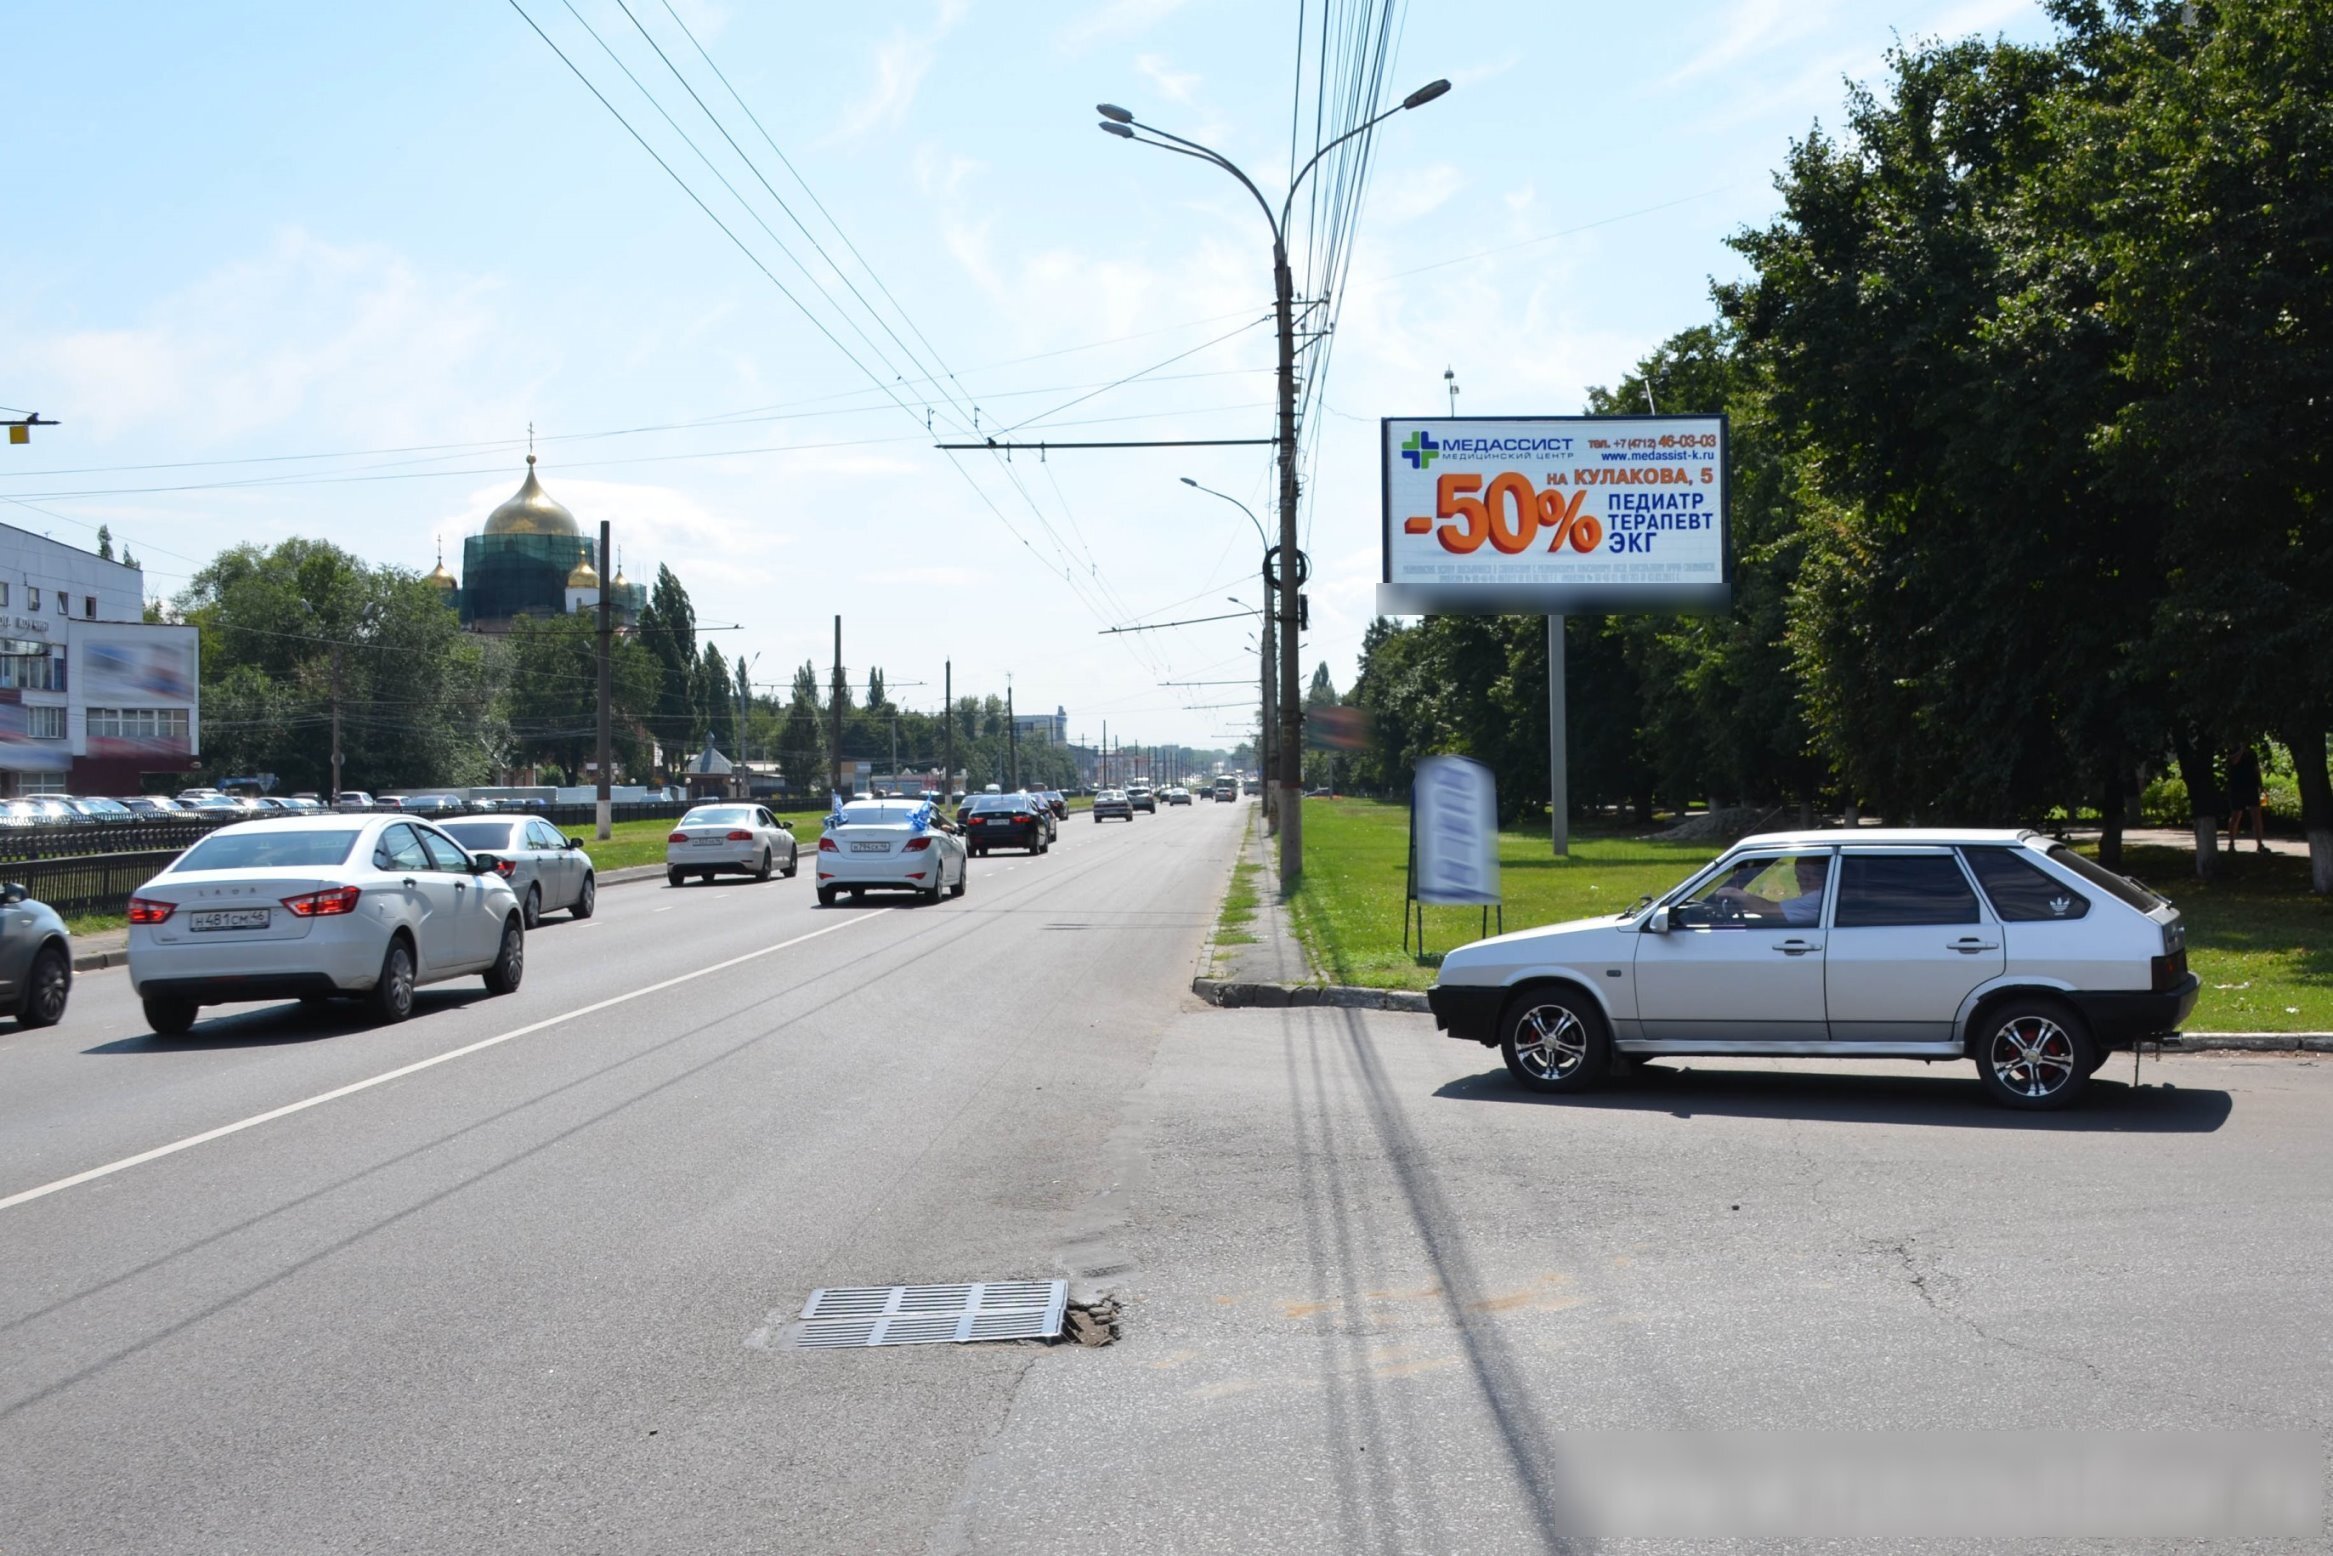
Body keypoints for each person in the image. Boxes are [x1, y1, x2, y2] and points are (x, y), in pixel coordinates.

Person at [1711, 854, 1830, 925]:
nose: (1800, 881)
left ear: (1824, 876)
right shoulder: (1829, 896)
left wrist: (1734, 893)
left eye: (1806, 877)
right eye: (1798, 876)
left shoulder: (1821, 899)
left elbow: (1769, 909)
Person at [2224, 746, 2267, 854]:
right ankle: (2231, 844)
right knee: (2236, 815)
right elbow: (2233, 761)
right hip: (2237, 787)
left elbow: (2256, 769)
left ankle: (2260, 844)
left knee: (2257, 816)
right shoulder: (2231, 749)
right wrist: (2241, 750)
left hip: (2251, 787)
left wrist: (2261, 785)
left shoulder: (2252, 752)